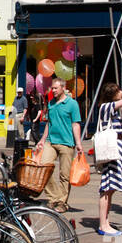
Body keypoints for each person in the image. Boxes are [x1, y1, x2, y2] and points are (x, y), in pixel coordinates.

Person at [94, 82, 122, 237]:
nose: (121, 93)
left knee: (110, 189)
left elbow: (113, 133)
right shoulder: (106, 107)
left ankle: (106, 222)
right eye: (118, 91)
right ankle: (103, 224)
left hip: (116, 151)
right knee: (107, 187)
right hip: (111, 154)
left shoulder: (113, 111)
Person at [37, 81, 82, 212]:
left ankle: (62, 202)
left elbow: (75, 124)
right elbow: (49, 123)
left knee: (65, 175)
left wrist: (78, 143)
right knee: (44, 167)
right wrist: (42, 139)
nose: (53, 90)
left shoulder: (72, 104)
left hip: (67, 142)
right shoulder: (51, 103)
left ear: (63, 88)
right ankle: (54, 198)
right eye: (52, 88)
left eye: (56, 88)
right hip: (51, 141)